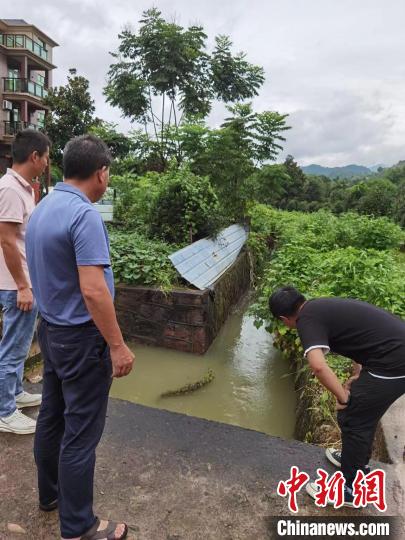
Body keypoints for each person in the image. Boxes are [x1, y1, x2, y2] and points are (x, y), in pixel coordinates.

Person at [26, 134, 134, 540]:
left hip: (51, 331)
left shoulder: (44, 206)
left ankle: (49, 496)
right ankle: (78, 526)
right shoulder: (84, 215)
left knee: (52, 418)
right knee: (81, 433)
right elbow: (93, 289)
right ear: (101, 172)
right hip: (80, 339)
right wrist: (118, 345)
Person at [269, 286, 405, 506]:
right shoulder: (319, 307)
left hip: (395, 364)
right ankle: (356, 463)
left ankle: (351, 490)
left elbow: (318, 366)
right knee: (361, 414)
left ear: (284, 319)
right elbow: (359, 337)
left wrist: (343, 397)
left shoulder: (306, 321)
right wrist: (357, 374)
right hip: (390, 355)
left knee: (354, 416)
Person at [0, 129, 50, 435]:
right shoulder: (9, 189)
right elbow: (6, 241)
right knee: (14, 347)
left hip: (20, 282)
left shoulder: (22, 188)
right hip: (14, 285)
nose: (46, 163)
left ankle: (14, 393)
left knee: (17, 345)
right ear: (34, 156)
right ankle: (5, 411)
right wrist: (22, 286)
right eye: (45, 157)